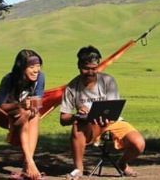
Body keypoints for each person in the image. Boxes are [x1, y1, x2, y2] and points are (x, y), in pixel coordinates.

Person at [60, 45, 145, 178]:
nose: (90, 72)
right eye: (86, 68)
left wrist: (102, 117)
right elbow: (63, 119)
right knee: (77, 125)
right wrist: (76, 115)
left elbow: (113, 112)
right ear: (78, 66)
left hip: (112, 122)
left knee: (139, 143)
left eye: (94, 69)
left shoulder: (108, 81)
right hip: (87, 126)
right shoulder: (71, 88)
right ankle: (78, 169)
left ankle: (122, 163)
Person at [0, 49, 45, 180]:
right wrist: (19, 105)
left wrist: (29, 109)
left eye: (38, 66)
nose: (36, 70)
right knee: (23, 113)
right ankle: (30, 163)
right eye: (32, 67)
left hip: (27, 115)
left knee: (33, 115)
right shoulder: (9, 79)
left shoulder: (40, 77)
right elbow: (0, 105)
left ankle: (27, 164)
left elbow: (37, 103)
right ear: (22, 68)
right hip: (10, 115)